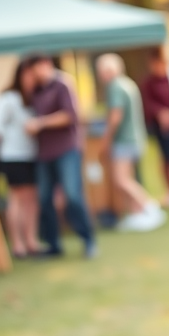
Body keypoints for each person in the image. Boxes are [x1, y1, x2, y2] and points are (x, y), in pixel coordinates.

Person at [27, 53, 97, 259]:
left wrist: (40, 123)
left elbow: (70, 115)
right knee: (44, 198)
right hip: (44, 152)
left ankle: (88, 240)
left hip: (67, 150)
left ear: (46, 64)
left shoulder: (62, 84)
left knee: (73, 196)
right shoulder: (35, 91)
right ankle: (53, 244)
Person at [96, 53, 165, 232]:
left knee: (121, 180)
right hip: (135, 139)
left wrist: (105, 140)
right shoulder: (128, 83)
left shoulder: (115, 87)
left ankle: (150, 207)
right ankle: (136, 214)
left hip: (124, 140)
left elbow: (115, 117)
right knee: (128, 178)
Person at [0, 58, 41, 258]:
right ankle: (18, 244)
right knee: (17, 198)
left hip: (31, 154)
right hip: (13, 155)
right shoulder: (8, 98)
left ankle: (31, 240)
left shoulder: (34, 98)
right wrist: (15, 135)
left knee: (31, 200)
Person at [140, 50, 169, 207]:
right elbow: (147, 104)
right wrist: (160, 113)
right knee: (166, 158)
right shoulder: (148, 83)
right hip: (159, 126)